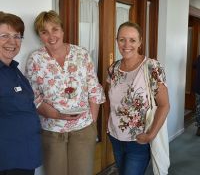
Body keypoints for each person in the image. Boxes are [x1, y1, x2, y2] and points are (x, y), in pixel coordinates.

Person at [25, 10, 106, 175]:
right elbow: (32, 96)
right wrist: (55, 114)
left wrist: (92, 122)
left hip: (83, 128)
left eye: (55, 29)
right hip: (51, 130)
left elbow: (94, 88)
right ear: (39, 35)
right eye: (44, 32)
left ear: (62, 30)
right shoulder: (35, 59)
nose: (51, 36)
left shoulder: (81, 54)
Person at [106, 21, 170, 175]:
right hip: (115, 137)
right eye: (122, 39)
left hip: (139, 140)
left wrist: (151, 135)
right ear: (117, 41)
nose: (127, 44)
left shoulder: (152, 67)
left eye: (132, 40)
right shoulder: (113, 68)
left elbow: (164, 105)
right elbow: (111, 100)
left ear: (140, 42)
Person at [0, 12, 42, 175]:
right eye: (4, 35)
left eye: (17, 36)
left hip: (23, 156)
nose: (12, 42)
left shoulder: (14, 70)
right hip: (7, 161)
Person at [193, 55, 200, 136]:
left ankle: (199, 127)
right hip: (198, 87)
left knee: (198, 108)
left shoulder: (199, 57)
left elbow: (194, 66)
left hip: (198, 87)